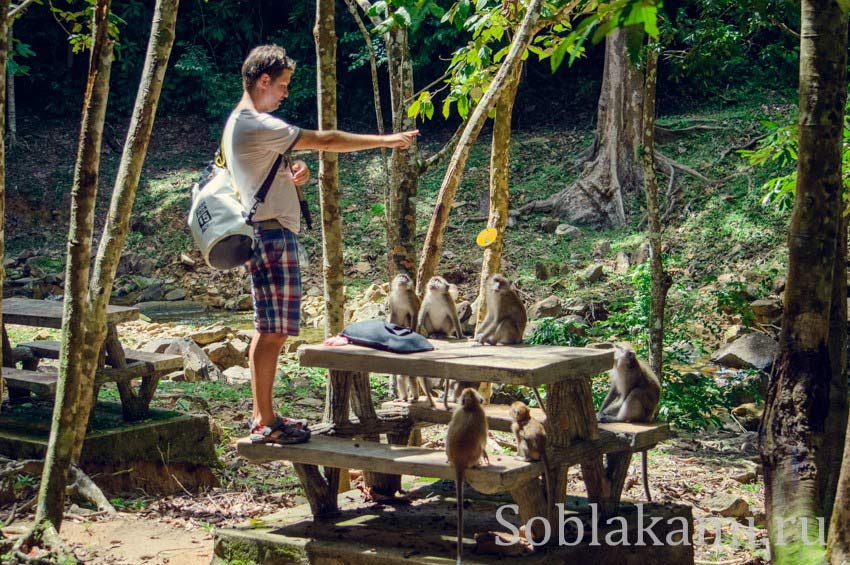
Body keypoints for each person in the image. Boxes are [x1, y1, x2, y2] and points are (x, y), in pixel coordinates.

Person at [223, 45, 418, 445]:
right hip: (271, 235)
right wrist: (384, 141)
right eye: (282, 85)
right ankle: (264, 420)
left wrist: (295, 173)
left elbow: (269, 168)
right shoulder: (258, 124)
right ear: (263, 81)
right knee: (273, 332)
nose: (284, 93)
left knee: (269, 330)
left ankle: (265, 415)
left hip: (267, 231)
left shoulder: (239, 123)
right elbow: (326, 139)